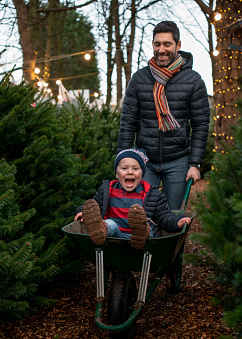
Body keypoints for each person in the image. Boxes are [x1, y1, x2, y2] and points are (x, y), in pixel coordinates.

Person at [117, 21, 210, 210]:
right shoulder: (140, 79)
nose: (161, 49)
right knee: (140, 215)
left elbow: (200, 124)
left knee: (173, 216)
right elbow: (128, 122)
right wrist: (122, 162)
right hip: (144, 161)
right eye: (157, 44)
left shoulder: (193, 81)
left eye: (167, 44)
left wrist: (195, 164)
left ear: (178, 45)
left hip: (178, 162)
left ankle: (171, 241)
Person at [74, 148, 191, 250]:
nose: (130, 172)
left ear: (142, 173)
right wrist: (82, 211)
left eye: (135, 169)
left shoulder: (153, 194)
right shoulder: (107, 191)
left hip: (144, 241)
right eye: (124, 168)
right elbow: (94, 208)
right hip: (114, 239)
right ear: (116, 173)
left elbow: (164, 217)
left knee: (147, 229)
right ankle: (100, 231)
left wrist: (176, 221)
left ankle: (140, 232)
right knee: (109, 224)